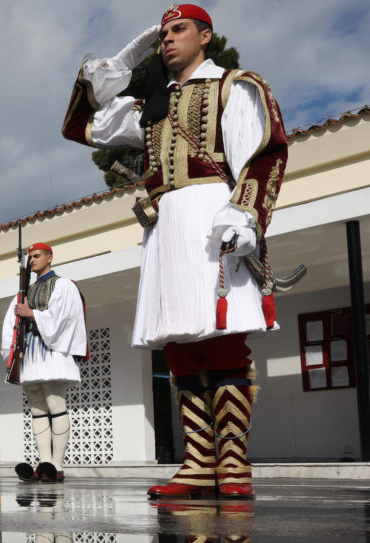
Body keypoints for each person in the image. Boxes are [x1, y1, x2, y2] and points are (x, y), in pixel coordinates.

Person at [62, 4, 287, 498]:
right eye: (162, 34)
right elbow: (79, 126)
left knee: (222, 339)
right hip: (165, 228)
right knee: (181, 345)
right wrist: (122, 64)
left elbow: (264, 153)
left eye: (178, 29)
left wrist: (246, 215)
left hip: (214, 214)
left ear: (205, 36)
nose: (167, 39)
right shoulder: (151, 107)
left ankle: (233, 464)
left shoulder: (234, 85)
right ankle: (198, 463)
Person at [0, 243, 87, 482]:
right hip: (30, 353)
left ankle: (56, 465)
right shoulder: (24, 292)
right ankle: (44, 463)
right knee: (37, 409)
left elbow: (65, 317)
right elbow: (10, 323)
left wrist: (32, 314)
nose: (32, 260)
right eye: (30, 257)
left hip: (53, 351)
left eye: (37, 256)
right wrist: (11, 351)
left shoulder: (63, 285)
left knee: (56, 405)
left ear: (50, 258)